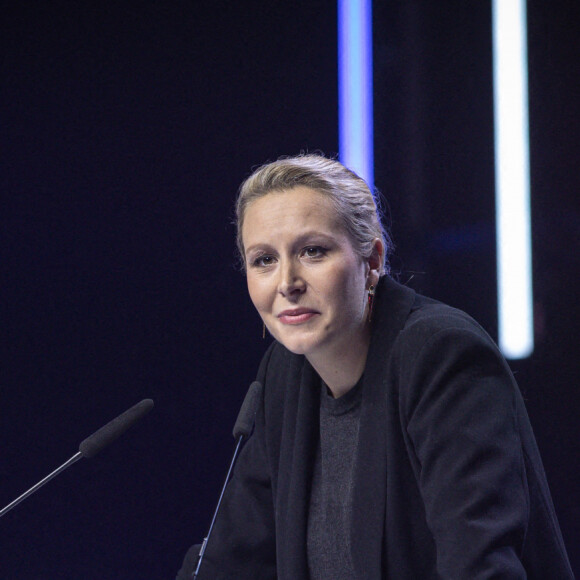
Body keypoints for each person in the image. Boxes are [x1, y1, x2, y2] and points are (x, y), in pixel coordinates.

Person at [177, 154, 574, 579]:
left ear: (372, 261)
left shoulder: (440, 354)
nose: (287, 282)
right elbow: (232, 560)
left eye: (313, 251)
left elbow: (480, 565)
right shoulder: (285, 373)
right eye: (264, 260)